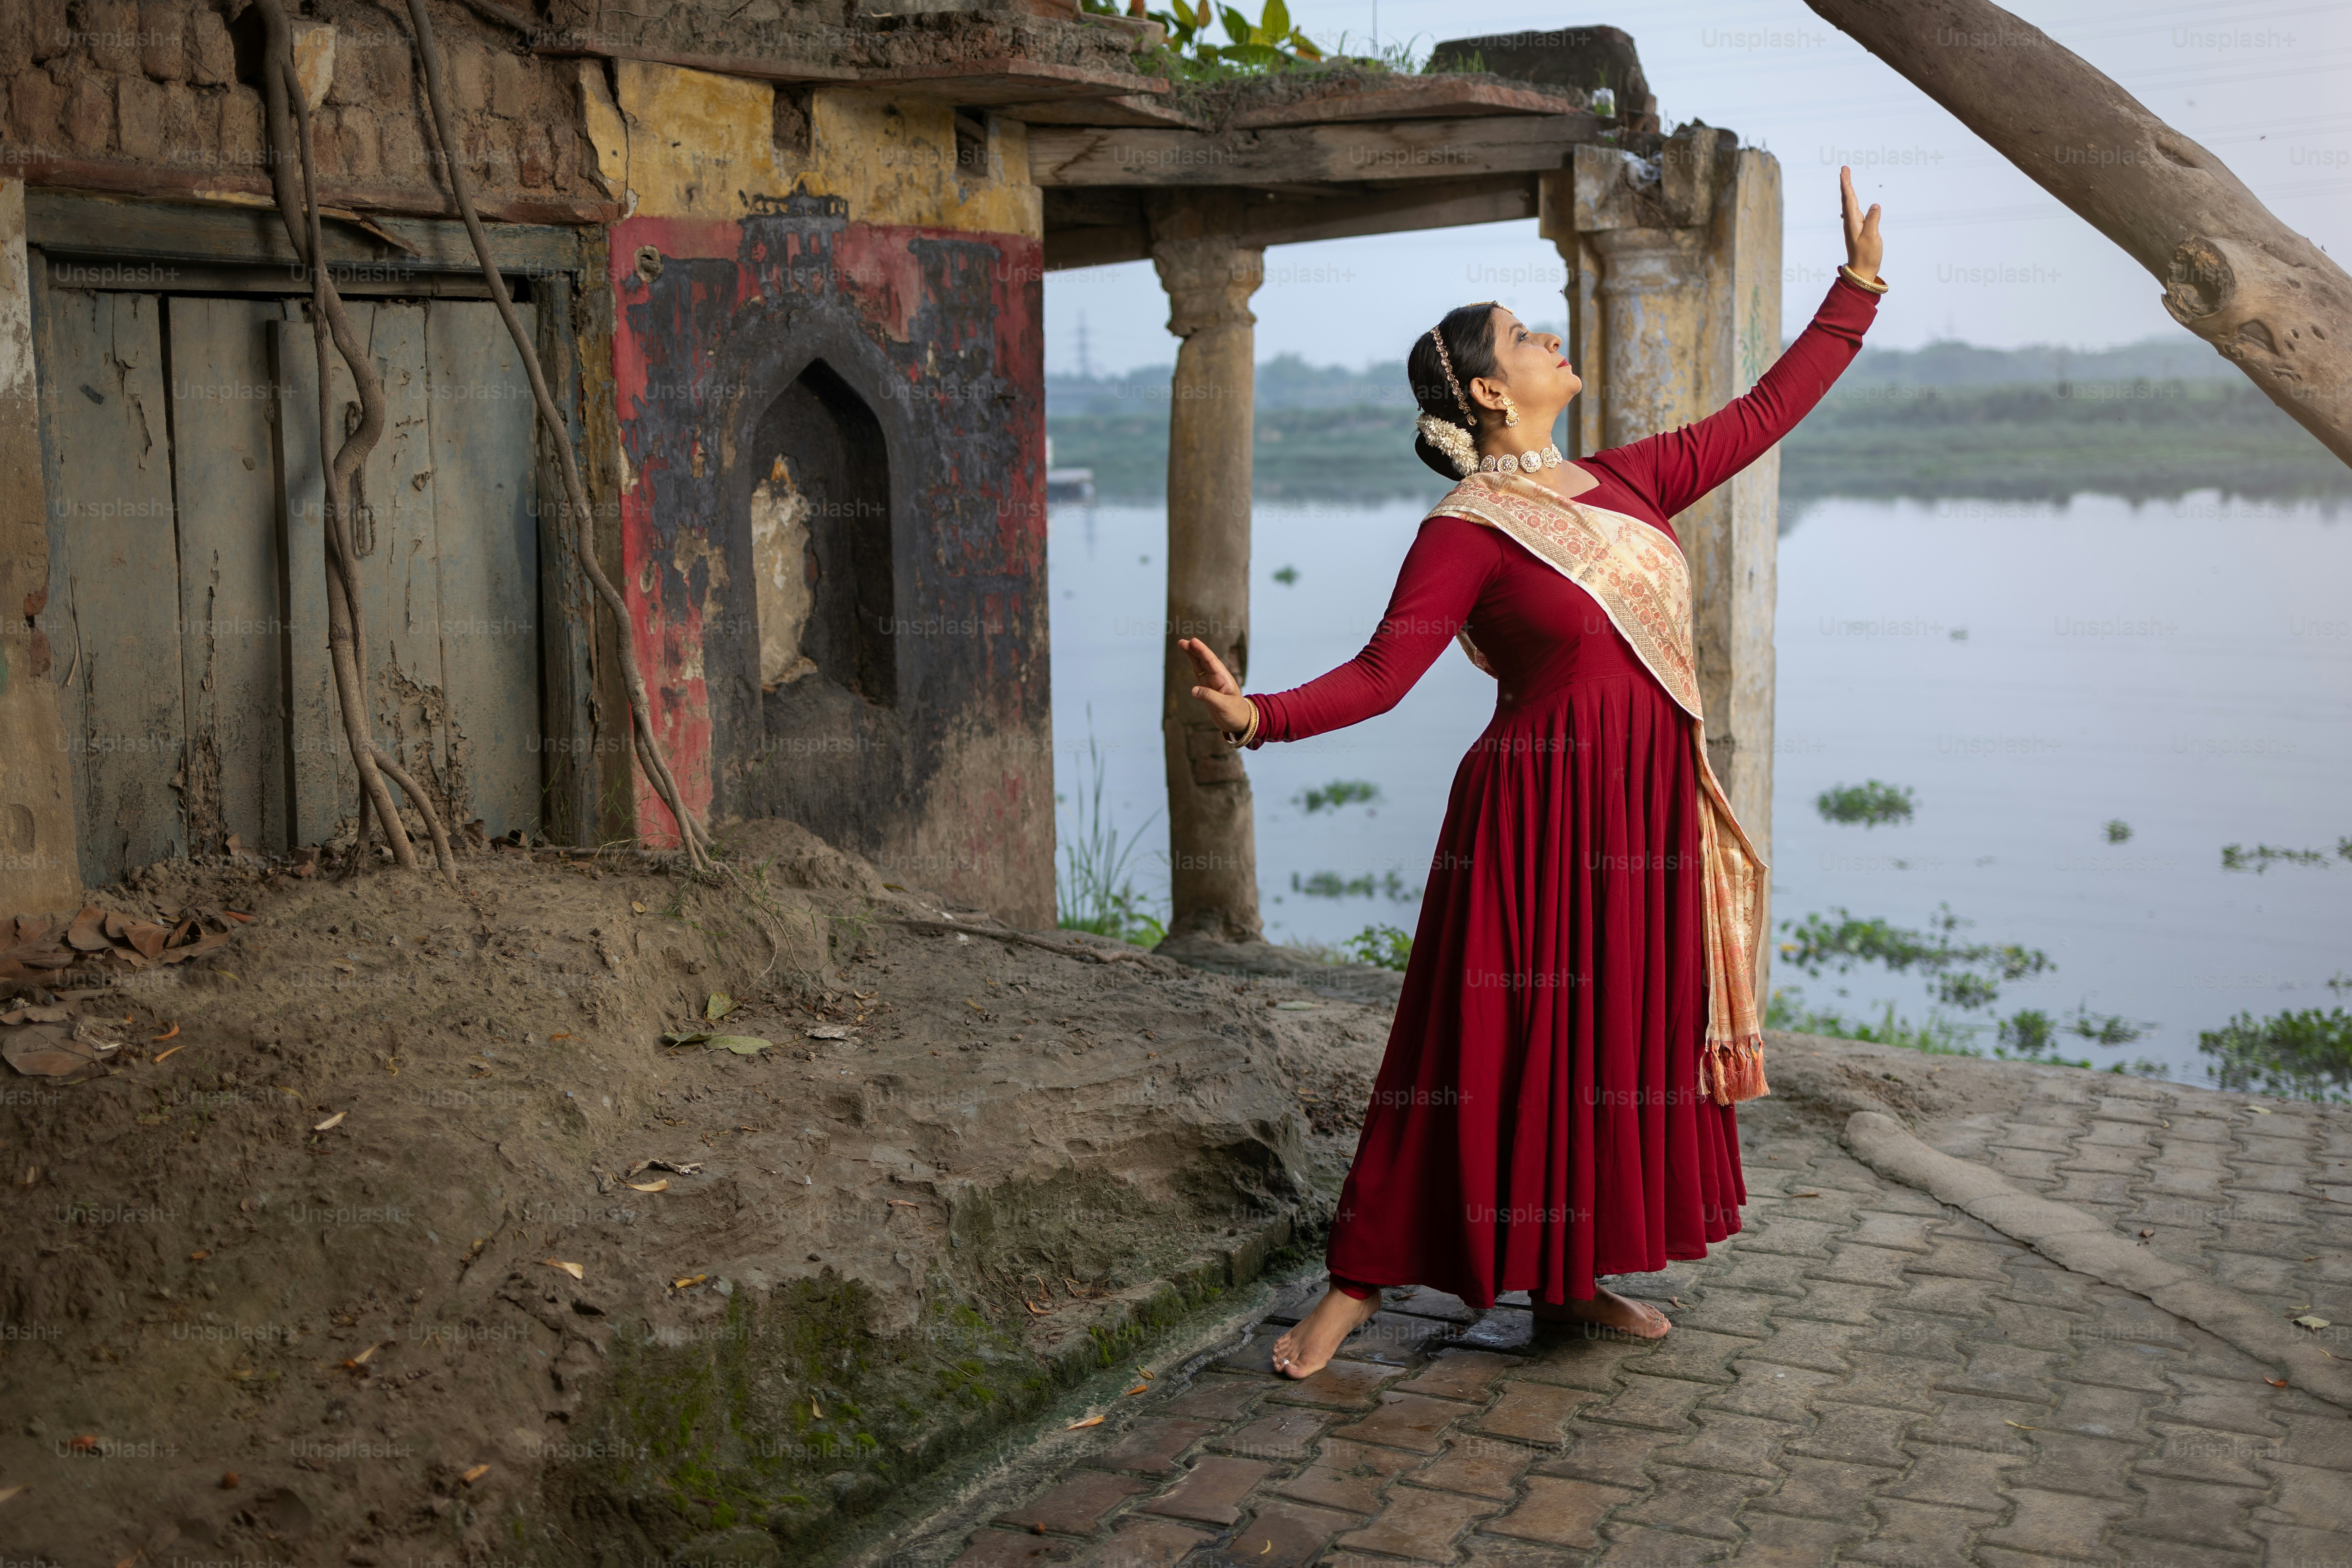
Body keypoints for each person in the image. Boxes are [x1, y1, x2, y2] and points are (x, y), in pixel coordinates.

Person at [1178, 168, 1888, 1378]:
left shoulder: (1628, 481)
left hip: (1643, 812)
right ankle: (1353, 1289)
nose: (1551, 337)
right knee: (1475, 1048)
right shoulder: (1465, 531)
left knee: (1616, 1045)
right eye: (1523, 335)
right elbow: (1383, 674)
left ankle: (1568, 1282)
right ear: (1490, 390)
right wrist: (1260, 716)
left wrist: (1855, 290)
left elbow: (1765, 413)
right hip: (1535, 817)